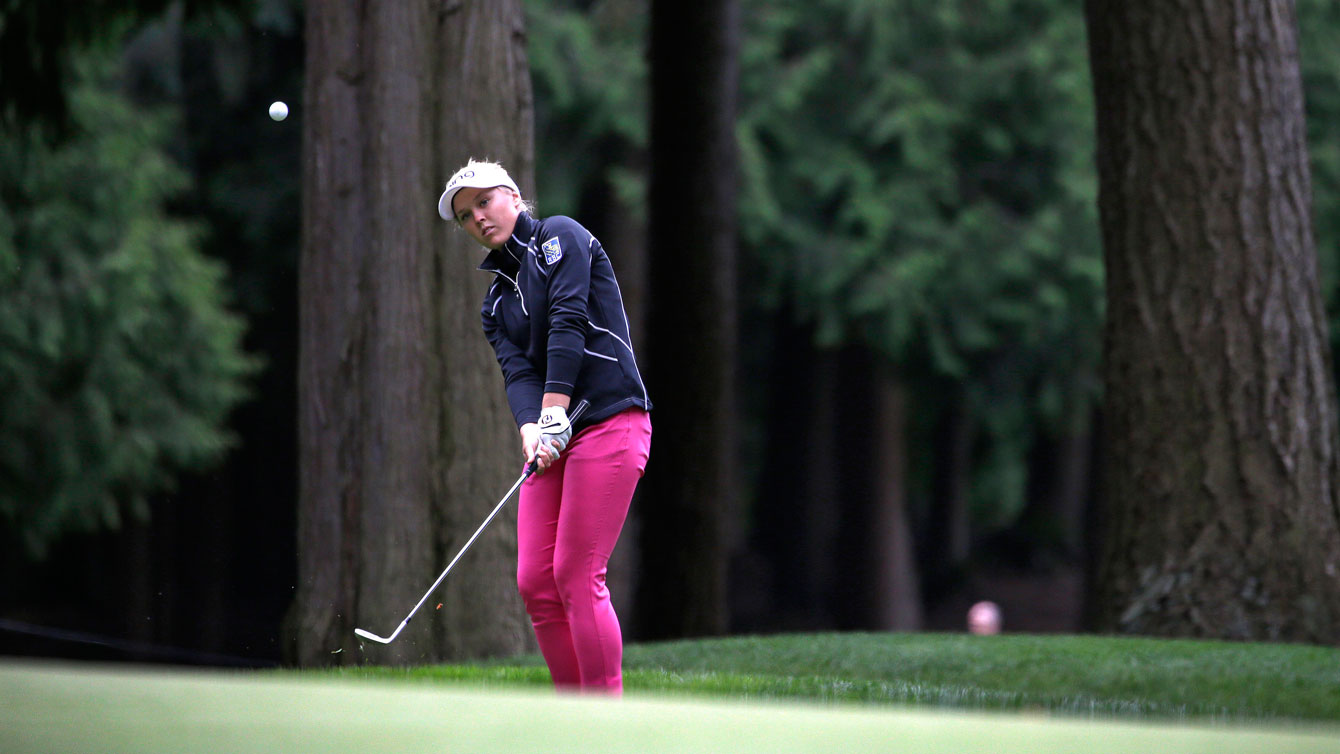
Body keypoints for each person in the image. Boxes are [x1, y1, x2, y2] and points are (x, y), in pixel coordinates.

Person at [437, 159, 652, 694]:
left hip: (610, 422)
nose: (479, 219)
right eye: (466, 216)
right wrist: (530, 427)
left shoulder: (560, 237)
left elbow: (568, 318)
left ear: (512, 195)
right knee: (536, 581)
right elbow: (517, 372)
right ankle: (569, 711)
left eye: (485, 202)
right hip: (554, 437)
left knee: (578, 575)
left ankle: (604, 715)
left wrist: (554, 410)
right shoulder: (494, 302)